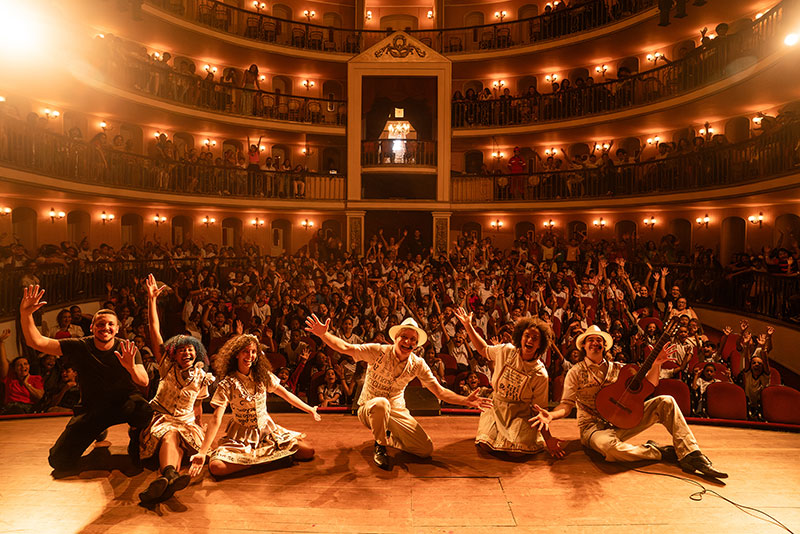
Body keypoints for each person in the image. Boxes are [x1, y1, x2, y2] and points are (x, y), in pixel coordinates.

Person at [531, 325, 727, 478]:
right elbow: (566, 405)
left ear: (604, 346)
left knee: (666, 401)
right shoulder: (575, 372)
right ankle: (658, 452)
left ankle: (691, 454)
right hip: (592, 429)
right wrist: (551, 415)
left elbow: (649, 385)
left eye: (599, 340)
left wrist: (657, 364)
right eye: (590, 340)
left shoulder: (619, 368)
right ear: (583, 346)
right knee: (610, 449)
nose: (595, 343)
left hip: (622, 421)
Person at [305, 315, 493, 470]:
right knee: (381, 404)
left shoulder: (418, 364)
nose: (407, 342)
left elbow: (440, 392)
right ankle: (380, 446)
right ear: (395, 338)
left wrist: (465, 401)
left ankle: (390, 438)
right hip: (370, 408)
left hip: (397, 411)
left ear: (416, 345)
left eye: (412, 340)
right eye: (404, 337)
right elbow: (346, 348)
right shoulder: (378, 351)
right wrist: (324, 334)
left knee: (425, 450)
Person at [19, 285, 152, 472]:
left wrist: (130, 368)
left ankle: (135, 436)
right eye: (100, 324)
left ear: (117, 328)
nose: (105, 328)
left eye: (110, 324)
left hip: (124, 405)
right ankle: (98, 431)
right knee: (59, 461)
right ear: (92, 327)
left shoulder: (127, 348)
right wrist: (25, 314)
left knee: (143, 409)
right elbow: (37, 342)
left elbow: (144, 381)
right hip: (92, 409)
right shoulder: (80, 346)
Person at [189, 334, 320, 478]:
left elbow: (286, 395)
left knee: (308, 452)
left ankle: (261, 460)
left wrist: (309, 409)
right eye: (245, 351)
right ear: (237, 354)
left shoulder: (263, 376)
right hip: (241, 437)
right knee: (216, 467)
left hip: (267, 432)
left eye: (253, 352)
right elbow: (215, 419)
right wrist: (202, 452)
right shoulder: (228, 384)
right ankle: (267, 460)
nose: (250, 356)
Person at [137, 274, 215, 503]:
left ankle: (168, 477)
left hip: (187, 422)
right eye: (181, 350)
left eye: (190, 349)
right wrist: (152, 300)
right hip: (163, 418)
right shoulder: (166, 367)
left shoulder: (201, 377)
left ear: (196, 353)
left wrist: (199, 424)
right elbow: (154, 329)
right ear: (174, 354)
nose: (187, 352)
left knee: (180, 441)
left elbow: (198, 405)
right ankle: (171, 475)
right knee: (170, 435)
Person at [454, 310, 563, 458]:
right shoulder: (506, 350)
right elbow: (484, 349)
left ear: (540, 344)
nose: (530, 340)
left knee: (516, 452)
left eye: (535, 338)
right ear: (520, 337)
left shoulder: (540, 373)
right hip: (496, 406)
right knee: (486, 446)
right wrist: (468, 326)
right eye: (527, 336)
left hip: (520, 413)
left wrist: (548, 438)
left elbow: (539, 411)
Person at [1, 329, 45, 415]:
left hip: (26, 408)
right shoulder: (10, 378)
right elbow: (3, 362)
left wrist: (26, 383)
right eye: (19, 365)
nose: (23, 367)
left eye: (25, 364)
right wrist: (1, 342)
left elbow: (40, 396)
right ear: (14, 369)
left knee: (17, 411)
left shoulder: (36, 379)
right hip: (10, 408)